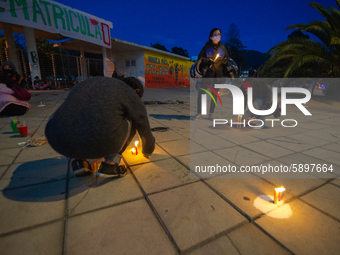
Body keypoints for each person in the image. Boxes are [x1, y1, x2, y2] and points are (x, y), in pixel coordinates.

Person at [45, 76, 155, 178]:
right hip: (101, 140)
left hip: (57, 137)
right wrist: (148, 150)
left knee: (75, 117)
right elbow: (142, 124)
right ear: (137, 91)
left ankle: (78, 162)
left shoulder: (94, 84)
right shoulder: (129, 93)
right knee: (133, 119)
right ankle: (110, 165)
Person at [194, 28, 236, 120]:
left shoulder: (223, 48)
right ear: (211, 37)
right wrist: (206, 61)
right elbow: (200, 58)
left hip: (218, 75)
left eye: (219, 34)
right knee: (202, 93)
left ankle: (211, 114)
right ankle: (199, 113)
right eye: (215, 34)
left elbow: (228, 61)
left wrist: (226, 63)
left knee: (214, 95)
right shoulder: (206, 48)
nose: (217, 36)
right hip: (208, 74)